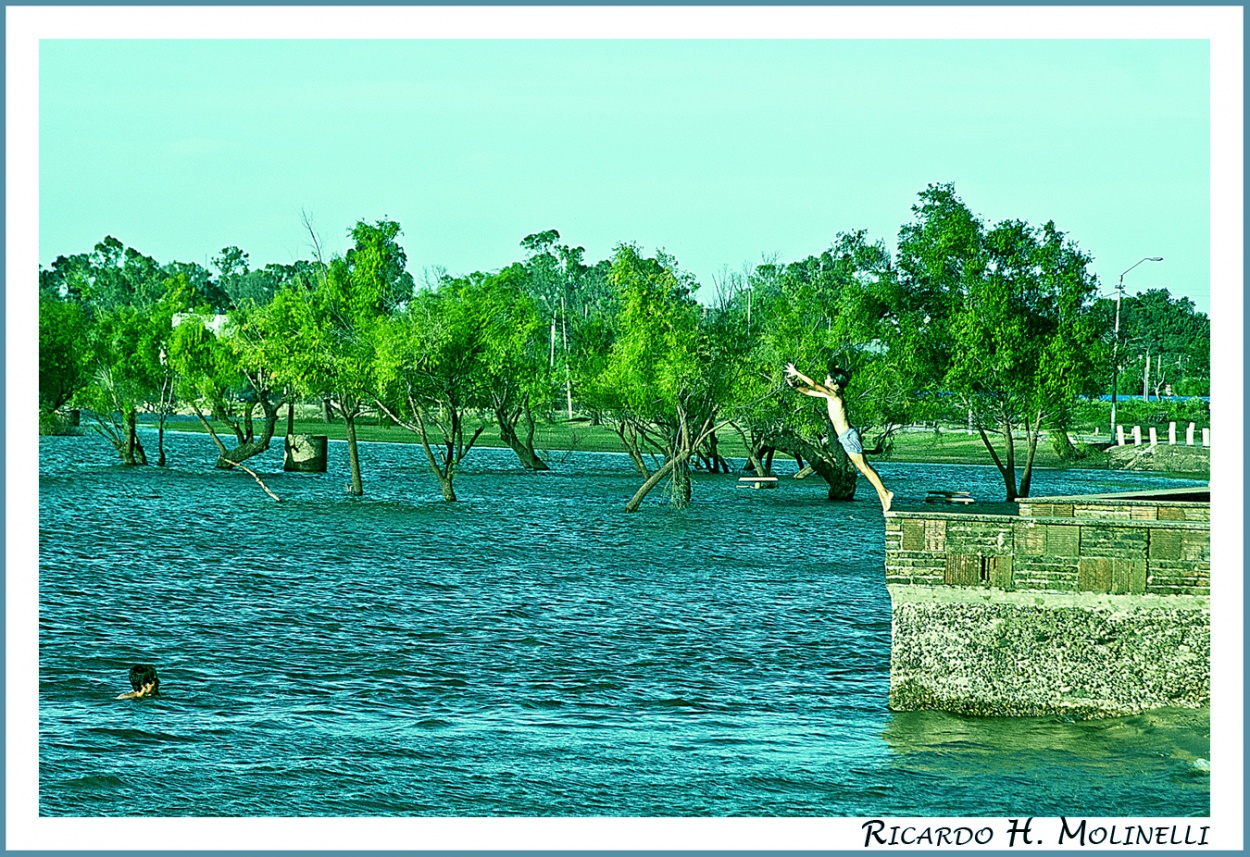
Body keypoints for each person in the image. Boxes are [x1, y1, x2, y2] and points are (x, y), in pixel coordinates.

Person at [784, 362, 894, 513]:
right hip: (845, 438)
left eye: (827, 379)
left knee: (863, 468)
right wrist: (794, 386)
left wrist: (796, 372)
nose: (824, 381)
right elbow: (809, 391)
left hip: (848, 437)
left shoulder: (835, 396)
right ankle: (883, 494)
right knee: (864, 467)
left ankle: (885, 493)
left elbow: (814, 384)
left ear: (834, 383)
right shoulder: (830, 396)